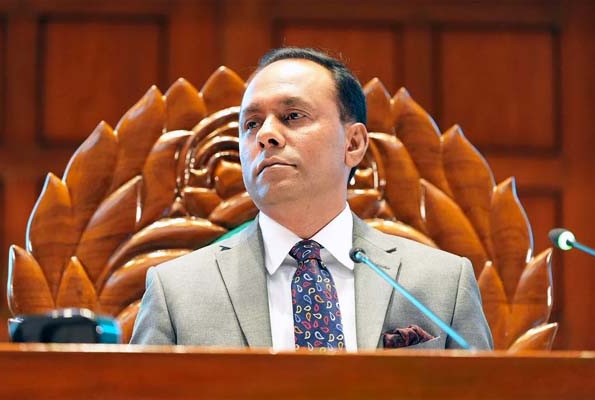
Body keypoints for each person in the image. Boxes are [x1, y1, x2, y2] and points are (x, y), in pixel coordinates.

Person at [130, 47, 492, 351]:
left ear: (353, 144)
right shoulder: (176, 291)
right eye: (251, 124)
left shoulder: (443, 283)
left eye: (292, 116)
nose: (266, 135)